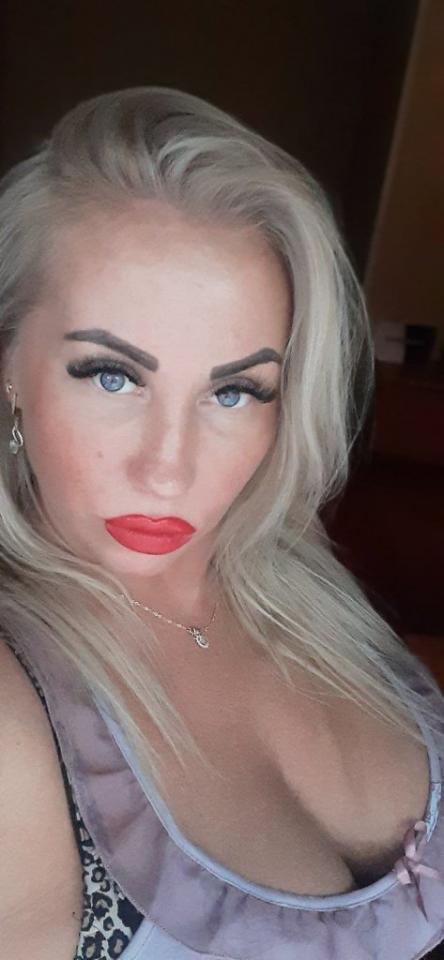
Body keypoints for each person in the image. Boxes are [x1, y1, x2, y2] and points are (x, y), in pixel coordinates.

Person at [0, 87, 443, 960]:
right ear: (9, 365)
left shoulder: (297, 572)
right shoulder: (16, 715)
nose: (170, 469)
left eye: (234, 391)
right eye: (112, 376)